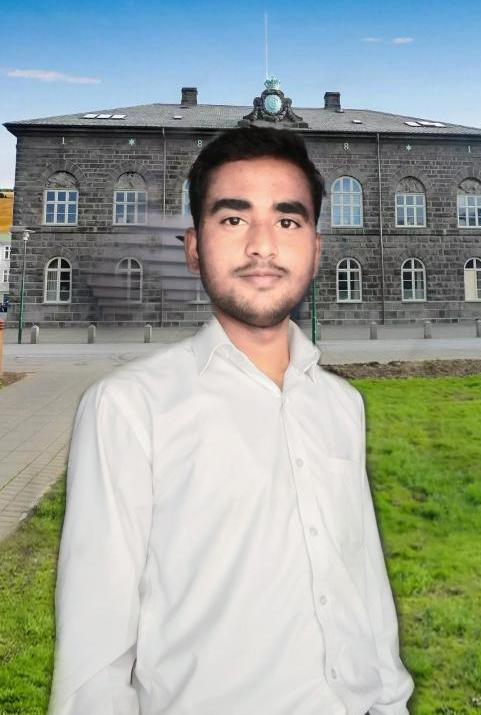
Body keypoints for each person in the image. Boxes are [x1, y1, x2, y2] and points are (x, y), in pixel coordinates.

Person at [47, 124, 414, 715]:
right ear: (194, 247)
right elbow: (94, 659)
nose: (262, 246)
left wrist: (391, 701)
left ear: (316, 249)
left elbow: (363, 577)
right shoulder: (129, 408)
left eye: (288, 221)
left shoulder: (341, 404)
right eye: (234, 218)